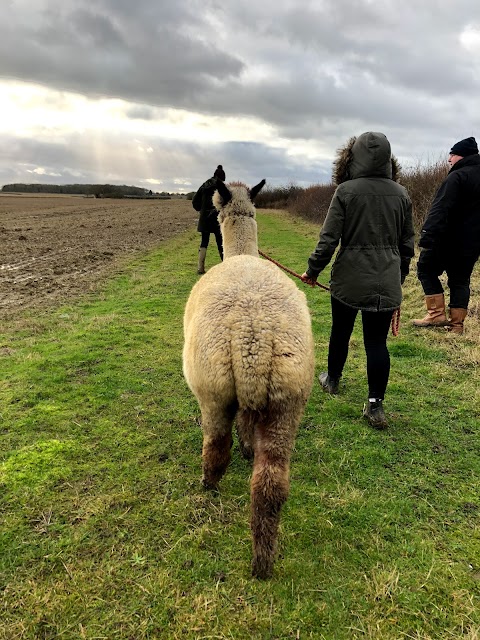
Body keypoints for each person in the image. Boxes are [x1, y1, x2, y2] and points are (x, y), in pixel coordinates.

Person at [300, 132, 414, 429]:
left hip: (348, 280)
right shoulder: (402, 194)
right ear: (388, 158)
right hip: (386, 282)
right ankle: (375, 405)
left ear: (352, 158)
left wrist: (312, 271)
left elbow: (328, 239)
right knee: (376, 342)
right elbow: (407, 245)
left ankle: (332, 380)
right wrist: (397, 277)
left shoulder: (346, 191)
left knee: (341, 330)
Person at [412, 137, 480, 335]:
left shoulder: (457, 177)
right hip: (472, 244)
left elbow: (440, 208)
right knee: (460, 280)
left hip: (446, 239)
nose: (449, 158)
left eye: (452, 154)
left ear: (462, 155)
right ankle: (457, 326)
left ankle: (436, 315)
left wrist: (427, 235)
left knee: (425, 268)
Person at [192, 165, 226, 274]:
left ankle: (200, 268)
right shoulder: (221, 186)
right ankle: (226, 266)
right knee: (220, 241)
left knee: (204, 242)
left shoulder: (204, 184)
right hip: (216, 217)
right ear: (222, 176)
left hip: (204, 218)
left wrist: (201, 210)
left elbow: (195, 201)